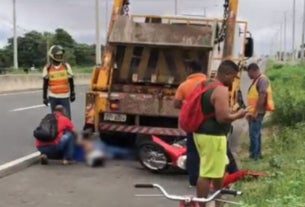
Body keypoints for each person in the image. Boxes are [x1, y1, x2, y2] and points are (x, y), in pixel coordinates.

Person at [194, 60, 247, 207]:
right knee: (207, 173)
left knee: (220, 169)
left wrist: (231, 113)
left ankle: (219, 202)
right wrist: (238, 115)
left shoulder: (207, 84)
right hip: (213, 137)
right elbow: (222, 118)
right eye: (234, 77)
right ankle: (202, 205)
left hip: (205, 134)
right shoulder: (220, 90)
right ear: (226, 74)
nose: (234, 80)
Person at [174, 60, 207, 187]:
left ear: (190, 70)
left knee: (193, 151)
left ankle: (194, 179)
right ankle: (207, 177)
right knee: (206, 151)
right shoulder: (209, 83)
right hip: (207, 124)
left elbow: (176, 104)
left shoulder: (184, 85)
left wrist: (188, 105)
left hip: (192, 124)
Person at [246, 63, 274, 160]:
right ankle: (257, 154)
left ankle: (255, 156)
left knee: (254, 134)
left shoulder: (262, 80)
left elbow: (262, 96)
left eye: (249, 73)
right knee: (256, 133)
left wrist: (255, 112)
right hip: (253, 112)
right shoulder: (257, 80)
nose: (248, 75)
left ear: (253, 70)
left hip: (257, 112)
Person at [42, 45, 75, 119]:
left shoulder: (66, 66)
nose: (59, 57)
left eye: (60, 55)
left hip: (65, 96)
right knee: (55, 118)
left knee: (67, 118)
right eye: (57, 55)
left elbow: (71, 81)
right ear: (52, 55)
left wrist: (73, 93)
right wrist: (44, 97)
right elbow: (45, 84)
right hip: (53, 97)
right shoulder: (47, 68)